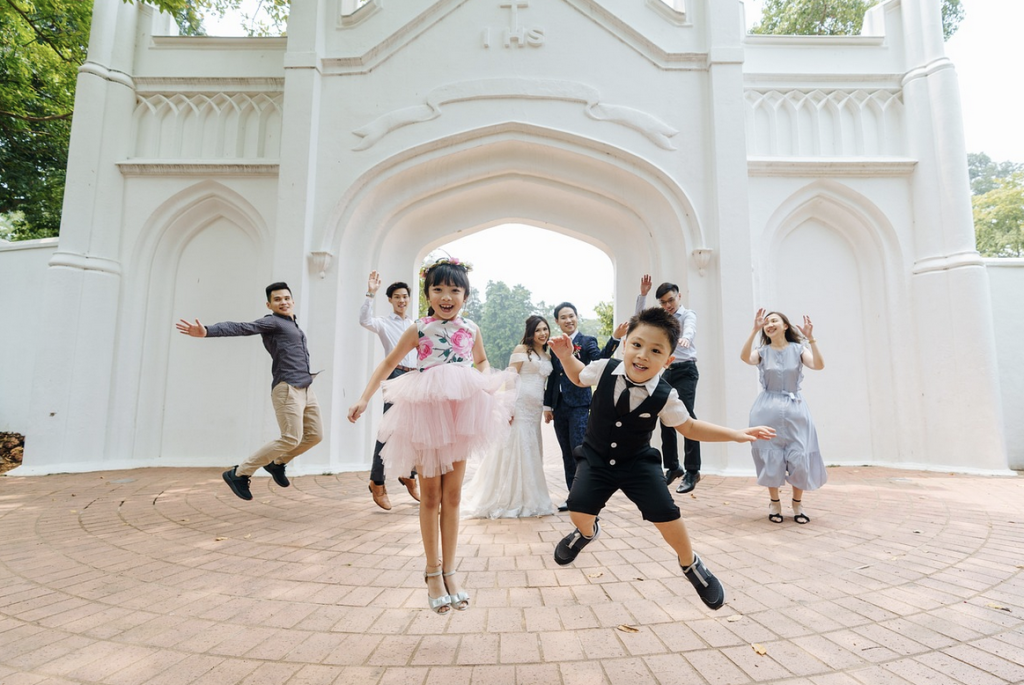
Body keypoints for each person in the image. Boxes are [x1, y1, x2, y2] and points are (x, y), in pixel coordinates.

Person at [548, 308, 775, 609]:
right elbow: (578, 377)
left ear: (668, 361)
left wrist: (734, 434)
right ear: (625, 344)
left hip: (637, 464)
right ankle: (587, 533)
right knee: (578, 512)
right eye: (637, 345)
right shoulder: (604, 368)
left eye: (655, 350)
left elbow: (689, 427)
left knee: (668, 515)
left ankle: (690, 563)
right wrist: (565, 356)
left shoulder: (666, 395)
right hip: (596, 458)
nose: (643, 355)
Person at [347, 257, 516, 614]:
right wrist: (364, 398)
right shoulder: (419, 328)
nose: (446, 296)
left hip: (460, 413)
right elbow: (389, 364)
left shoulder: (471, 328)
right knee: (431, 496)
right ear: (427, 293)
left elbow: (481, 361)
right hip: (425, 413)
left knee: (453, 497)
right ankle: (432, 571)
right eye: (438, 289)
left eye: (454, 290)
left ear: (465, 295)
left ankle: (452, 570)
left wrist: (489, 386)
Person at [176, 282, 322, 501]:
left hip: (306, 388)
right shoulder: (271, 322)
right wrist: (207, 331)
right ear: (269, 304)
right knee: (291, 438)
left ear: (292, 300)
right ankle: (239, 473)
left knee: (315, 436)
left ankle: (277, 463)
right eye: (277, 299)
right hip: (288, 389)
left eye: (286, 298)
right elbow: (242, 327)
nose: (283, 302)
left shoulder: (293, 324)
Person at [463, 315, 556, 519]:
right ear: (531, 332)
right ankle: (508, 496)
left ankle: (530, 495)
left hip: (535, 410)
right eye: (538, 330)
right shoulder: (521, 350)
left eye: (545, 329)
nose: (543, 333)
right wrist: (509, 407)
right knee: (515, 445)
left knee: (531, 447)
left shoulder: (548, 355)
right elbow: (512, 377)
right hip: (520, 405)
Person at [740, 309, 826, 524]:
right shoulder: (762, 351)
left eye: (774, 320)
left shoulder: (799, 349)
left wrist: (811, 338)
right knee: (771, 455)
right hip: (766, 409)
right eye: (766, 322)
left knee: (800, 455)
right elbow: (744, 358)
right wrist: (753, 330)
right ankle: (775, 503)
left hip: (795, 409)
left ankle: (797, 505)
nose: (770, 324)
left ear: (785, 326)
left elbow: (818, 365)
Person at [542, 302, 620, 510]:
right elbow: (553, 378)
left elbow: (601, 360)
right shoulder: (556, 345)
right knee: (567, 453)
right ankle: (572, 498)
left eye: (571, 316)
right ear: (557, 322)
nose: (568, 320)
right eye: (563, 317)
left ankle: (588, 496)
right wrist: (547, 406)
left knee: (579, 451)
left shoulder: (586, 342)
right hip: (560, 407)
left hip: (580, 405)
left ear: (577, 317)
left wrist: (615, 339)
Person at [635, 275, 701, 494]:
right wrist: (643, 295)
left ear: (678, 297)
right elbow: (640, 320)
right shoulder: (663, 318)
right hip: (666, 371)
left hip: (686, 370)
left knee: (687, 416)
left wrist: (686, 338)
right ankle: (673, 467)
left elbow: (690, 327)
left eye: (670, 300)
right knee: (664, 416)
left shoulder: (687, 315)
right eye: (663, 302)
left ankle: (693, 470)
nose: (668, 306)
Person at [360, 270, 420, 510]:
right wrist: (370, 293)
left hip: (416, 377)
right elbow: (364, 320)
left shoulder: (415, 324)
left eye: (405, 296)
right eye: (397, 297)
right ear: (390, 300)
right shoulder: (384, 323)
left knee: (418, 430)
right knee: (389, 430)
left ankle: (409, 475)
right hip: (395, 375)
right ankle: (377, 481)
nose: (402, 300)